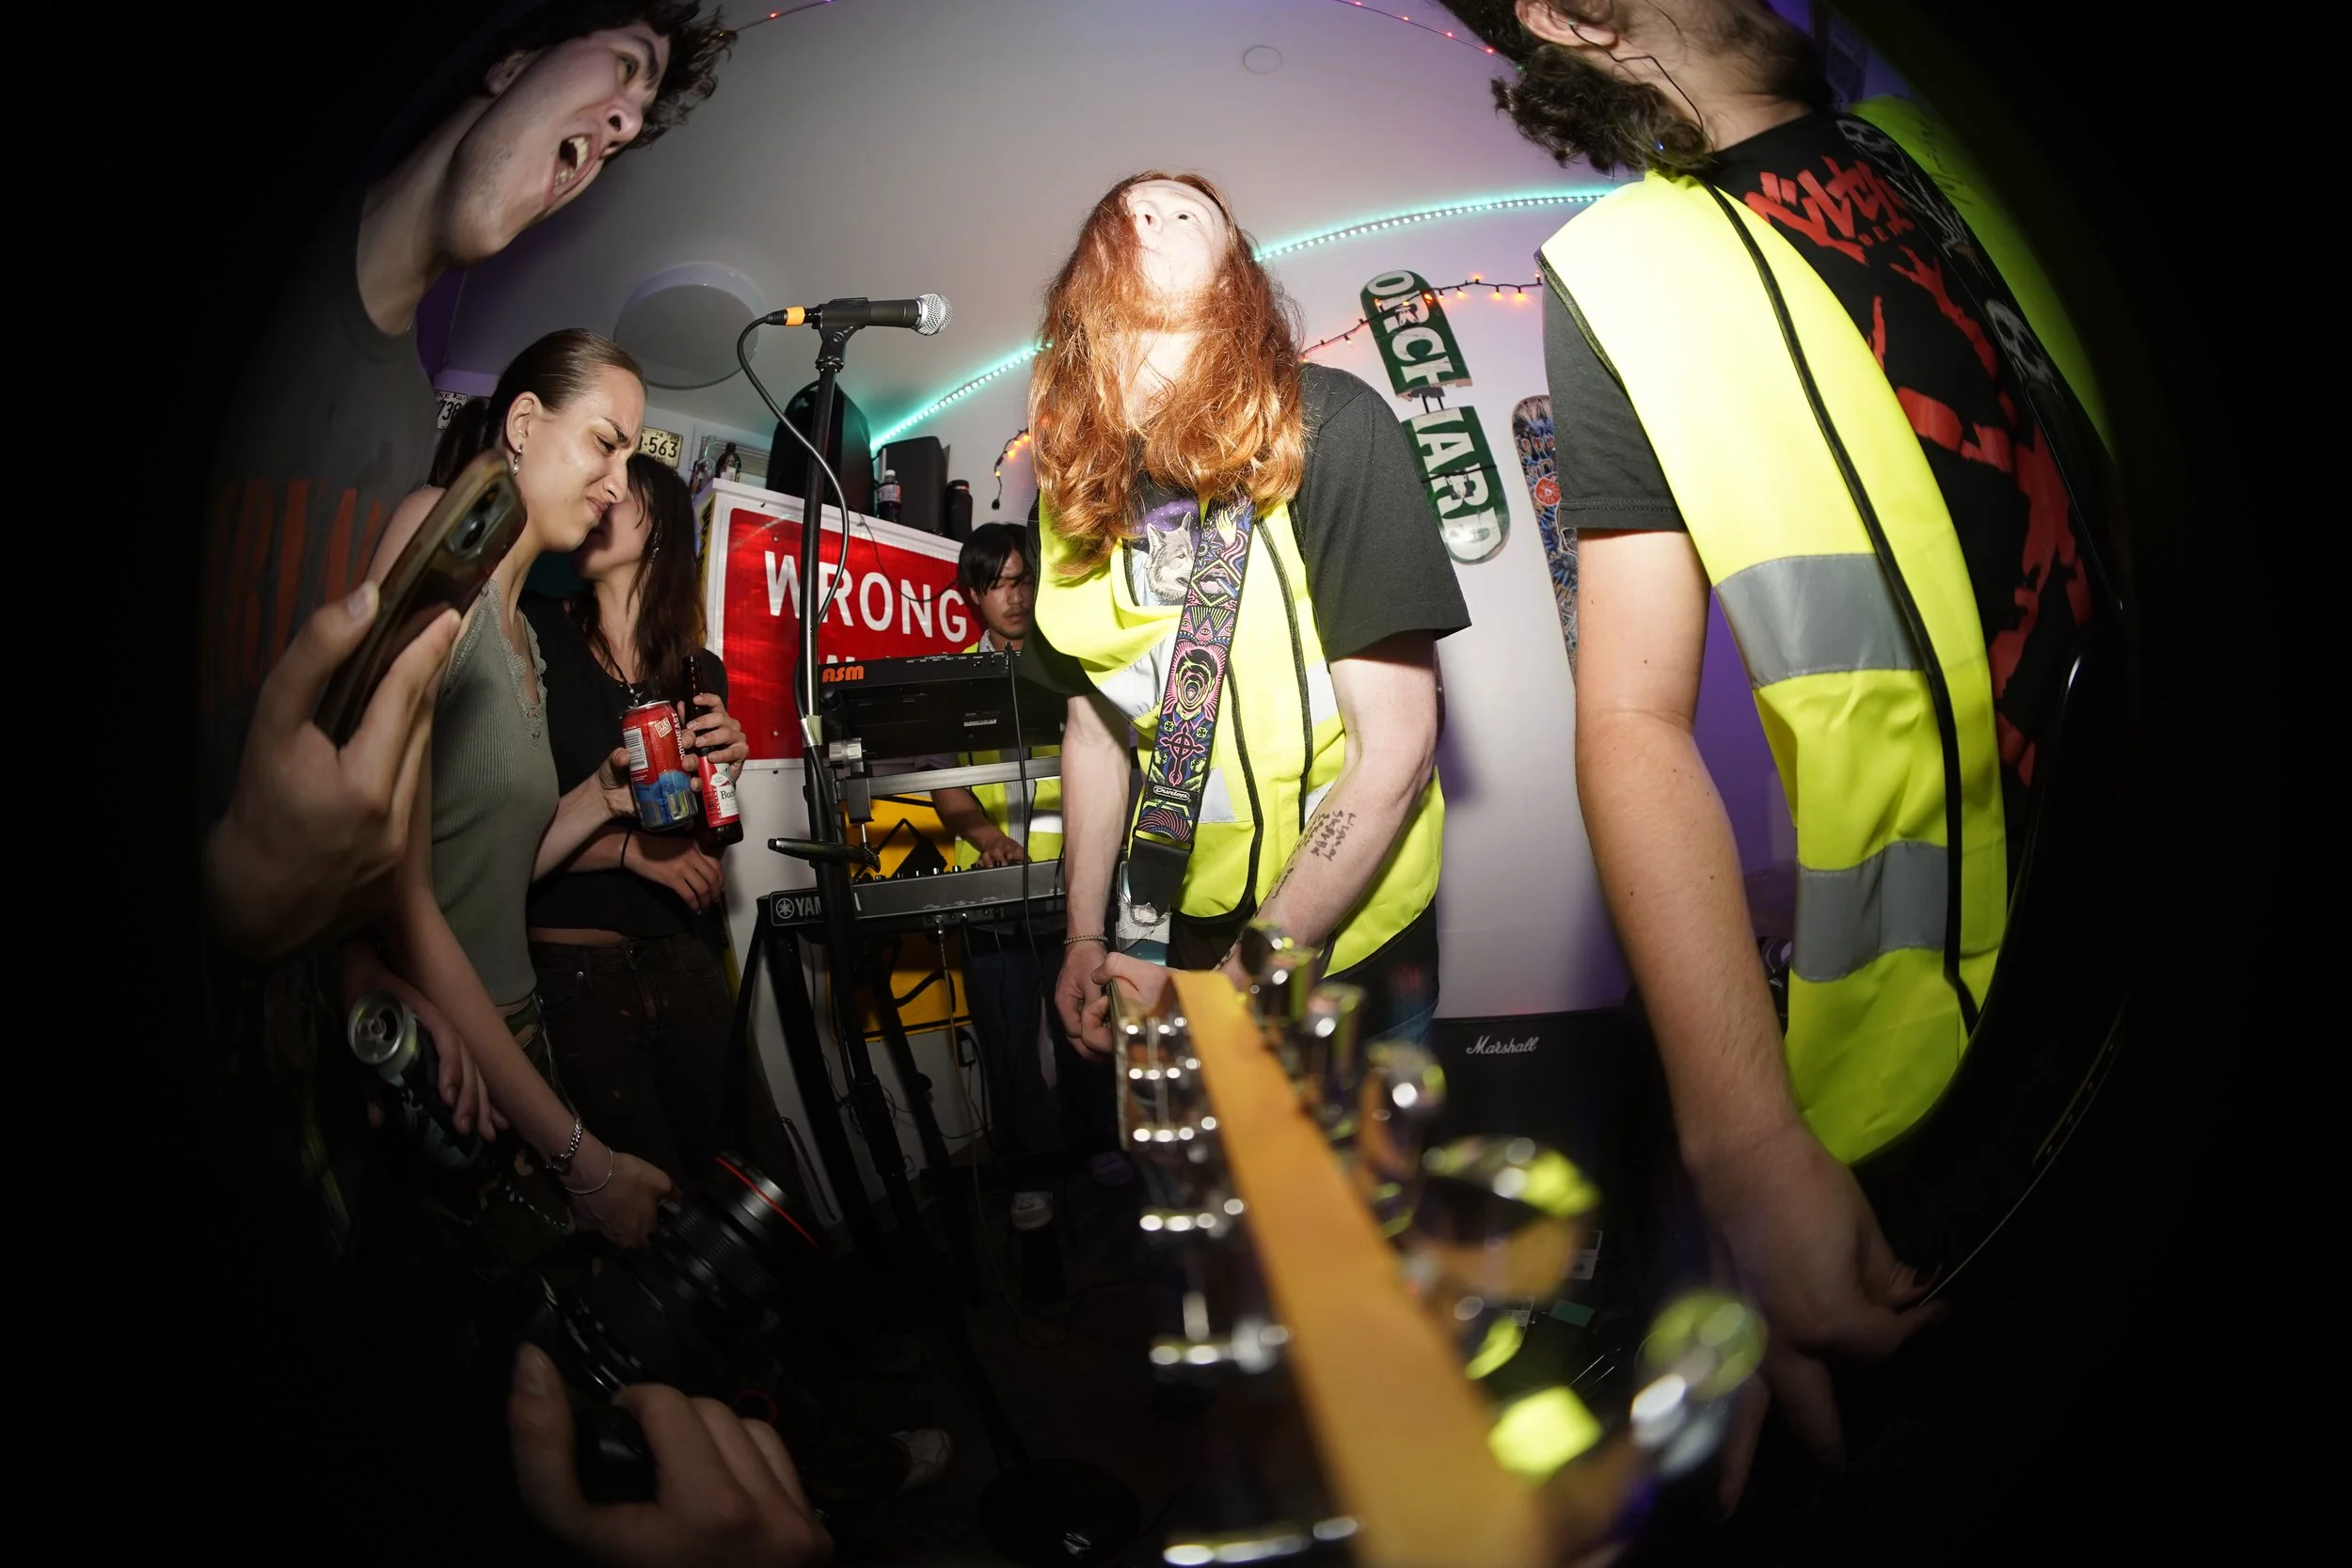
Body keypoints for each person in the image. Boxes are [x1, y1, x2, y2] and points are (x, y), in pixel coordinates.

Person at [1451, 0, 2120, 1515]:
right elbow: (1629, 716)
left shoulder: (1955, 141)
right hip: (1963, 1085)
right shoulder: (1630, 274)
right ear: (1567, 15)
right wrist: (1747, 1143)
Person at [200, 1, 732, 961]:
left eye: (628, 131)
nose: (621, 123)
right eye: (623, 66)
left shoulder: (406, 418)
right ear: (512, 56)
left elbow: (387, 859)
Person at [1024, 173, 1470, 1057]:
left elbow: (1397, 750)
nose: (1152, 212)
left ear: (1237, 273)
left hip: (1349, 941)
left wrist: (1240, 986)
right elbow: (1094, 731)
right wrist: (1084, 934)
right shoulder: (1067, 492)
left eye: (1187, 211)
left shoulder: (1330, 422)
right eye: (1128, 211)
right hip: (1179, 924)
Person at [367, 327, 675, 1249]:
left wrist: (605, 798)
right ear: (525, 423)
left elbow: (497, 866)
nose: (617, 483)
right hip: (451, 1055)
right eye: (605, 443)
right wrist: (583, 1158)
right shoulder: (436, 534)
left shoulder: (525, 629)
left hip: (515, 1027)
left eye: (628, 457)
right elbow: (398, 893)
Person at [522, 453, 745, 1190]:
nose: (602, 494)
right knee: (643, 1201)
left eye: (623, 491)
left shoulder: (699, 671)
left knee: (737, 1178)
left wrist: (724, 776)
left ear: (661, 528)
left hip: (681, 957)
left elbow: (696, 846)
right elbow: (497, 841)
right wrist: (629, 851)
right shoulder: (536, 636)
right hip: (575, 972)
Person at [926, 522, 1071, 1230]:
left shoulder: (1068, 664)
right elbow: (947, 789)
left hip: (1073, 889)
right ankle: (1029, 1173)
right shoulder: (953, 677)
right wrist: (989, 840)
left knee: (1085, 1028)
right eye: (996, 584)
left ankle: (1098, 1147)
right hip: (991, 895)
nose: (1013, 596)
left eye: (1022, 580)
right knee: (1008, 1042)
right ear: (973, 596)